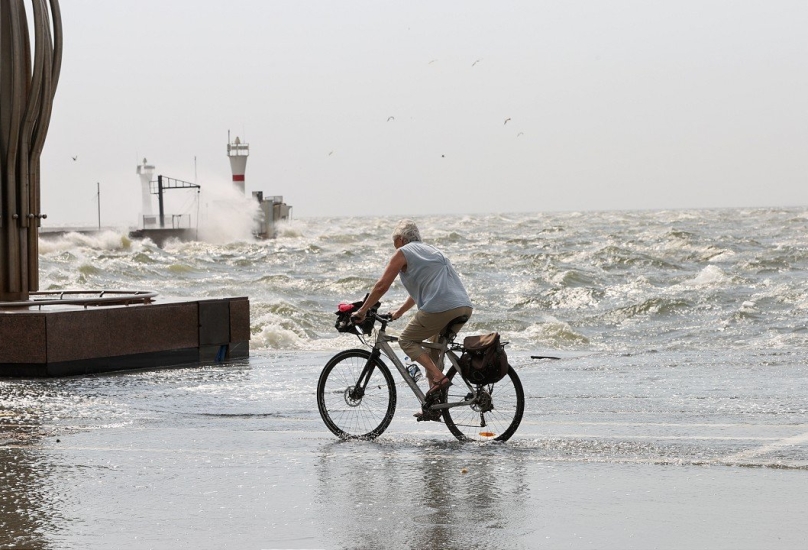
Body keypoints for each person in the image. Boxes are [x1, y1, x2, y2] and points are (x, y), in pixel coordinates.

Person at [352, 220, 473, 414]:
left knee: (406, 340)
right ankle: (433, 406)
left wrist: (363, 310)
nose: (394, 246)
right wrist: (399, 312)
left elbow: (382, 286)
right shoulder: (431, 251)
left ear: (400, 239)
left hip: (440, 308)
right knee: (432, 351)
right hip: (463, 307)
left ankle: (439, 378)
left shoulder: (403, 252)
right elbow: (419, 290)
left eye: (394, 242)